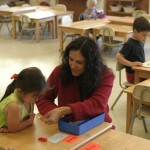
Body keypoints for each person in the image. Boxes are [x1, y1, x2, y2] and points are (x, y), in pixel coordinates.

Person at [36, 36, 115, 125]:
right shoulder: (59, 71)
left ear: (91, 63)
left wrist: (64, 110)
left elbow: (97, 104)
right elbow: (42, 97)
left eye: (79, 62)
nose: (73, 66)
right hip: (68, 124)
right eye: (71, 59)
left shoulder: (105, 75)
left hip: (97, 124)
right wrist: (55, 113)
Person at [0, 67, 45, 133]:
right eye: (34, 96)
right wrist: (29, 121)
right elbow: (13, 129)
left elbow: (23, 121)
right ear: (20, 91)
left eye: (38, 96)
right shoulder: (14, 105)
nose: (37, 99)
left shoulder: (29, 100)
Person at [116, 16, 150, 83]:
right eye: (144, 35)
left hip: (140, 71)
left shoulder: (140, 41)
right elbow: (118, 57)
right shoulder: (129, 44)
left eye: (147, 35)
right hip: (133, 75)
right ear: (135, 31)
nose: (145, 38)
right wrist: (131, 64)